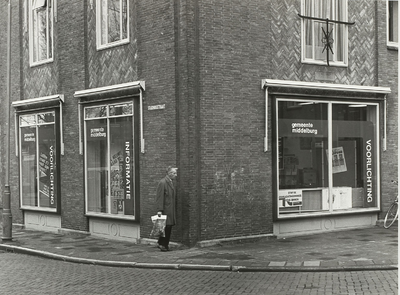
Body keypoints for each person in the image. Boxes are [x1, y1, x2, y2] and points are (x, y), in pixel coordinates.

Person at [155, 166, 177, 251]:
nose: (176, 175)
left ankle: (161, 243)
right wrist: (159, 210)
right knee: (166, 227)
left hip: (170, 209)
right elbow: (159, 197)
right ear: (169, 173)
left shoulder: (170, 182)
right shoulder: (163, 183)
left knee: (168, 227)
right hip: (166, 210)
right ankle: (163, 245)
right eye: (174, 173)